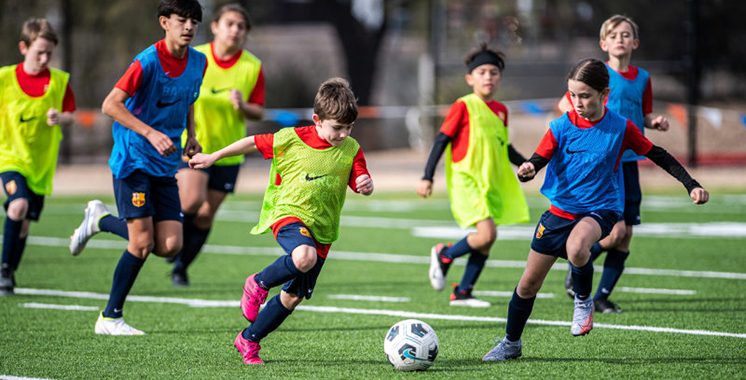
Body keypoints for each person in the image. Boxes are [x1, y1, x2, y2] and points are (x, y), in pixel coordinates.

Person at [482, 58, 709, 362]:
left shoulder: (620, 127)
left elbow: (658, 154)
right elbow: (539, 158)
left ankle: (583, 301)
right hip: (559, 212)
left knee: (578, 247)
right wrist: (528, 169)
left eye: (585, 95)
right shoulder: (561, 126)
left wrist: (691, 184)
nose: (577, 102)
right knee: (528, 284)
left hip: (602, 209)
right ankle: (511, 343)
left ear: (604, 94)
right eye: (573, 95)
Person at [188, 77, 373, 365]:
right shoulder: (292, 138)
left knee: (292, 298)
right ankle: (257, 282)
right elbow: (251, 142)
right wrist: (215, 156)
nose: (343, 134)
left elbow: (359, 174)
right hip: (288, 213)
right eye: (337, 127)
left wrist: (364, 182)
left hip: (323, 228)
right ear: (317, 120)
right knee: (303, 257)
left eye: (348, 127)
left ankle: (249, 339)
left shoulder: (351, 148)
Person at [69, 0, 206, 335]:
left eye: (194, 21)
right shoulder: (147, 61)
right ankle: (110, 317)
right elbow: (109, 104)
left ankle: (100, 220)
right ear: (164, 22)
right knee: (141, 243)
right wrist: (149, 132)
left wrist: (192, 135)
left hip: (166, 162)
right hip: (133, 159)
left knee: (170, 245)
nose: (188, 27)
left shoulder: (199, 62)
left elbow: (188, 100)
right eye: (181, 20)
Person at [558, 15, 670, 314]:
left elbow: (643, 114)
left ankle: (601, 295)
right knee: (615, 231)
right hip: (605, 165)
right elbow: (565, 105)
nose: (620, 39)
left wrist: (653, 121)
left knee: (626, 234)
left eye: (626, 35)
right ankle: (578, 259)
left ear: (635, 42)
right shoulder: (597, 75)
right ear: (603, 43)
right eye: (614, 35)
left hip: (630, 162)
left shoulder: (643, 77)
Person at [416, 44, 529, 307]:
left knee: (487, 241)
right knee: (487, 234)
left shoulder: (502, 110)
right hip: (467, 180)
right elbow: (441, 140)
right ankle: (445, 254)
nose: (488, 76)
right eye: (481, 72)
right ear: (470, 78)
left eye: (493, 72)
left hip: (491, 182)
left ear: (500, 77)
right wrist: (427, 176)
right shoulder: (463, 106)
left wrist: (527, 164)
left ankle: (463, 291)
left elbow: (505, 147)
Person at [168, 3, 265, 287]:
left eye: (241, 26)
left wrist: (243, 105)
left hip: (229, 151)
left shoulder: (252, 66)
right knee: (191, 201)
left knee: (206, 215)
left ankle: (180, 266)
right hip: (194, 145)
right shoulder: (196, 57)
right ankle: (170, 241)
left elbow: (259, 110)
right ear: (215, 27)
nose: (235, 30)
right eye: (230, 24)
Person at [0, 18, 76, 295]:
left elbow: (72, 114)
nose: (44, 58)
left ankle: (10, 272)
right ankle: (4, 272)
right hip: (9, 158)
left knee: (23, 226)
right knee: (17, 205)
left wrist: (61, 118)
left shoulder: (59, 81)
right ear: (23, 47)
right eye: (39, 52)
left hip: (40, 166)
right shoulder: (4, 78)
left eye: (49, 53)